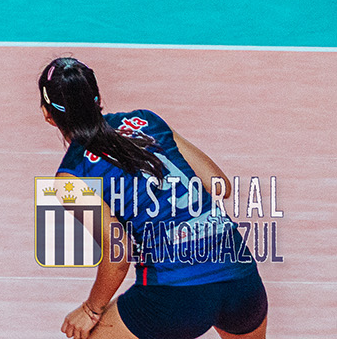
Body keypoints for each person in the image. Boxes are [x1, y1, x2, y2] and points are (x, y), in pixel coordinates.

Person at [40, 57, 268, 339]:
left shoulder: (71, 176)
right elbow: (220, 186)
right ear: (97, 98)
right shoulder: (148, 121)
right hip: (241, 281)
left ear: (48, 114)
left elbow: (118, 252)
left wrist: (91, 309)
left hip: (173, 293)